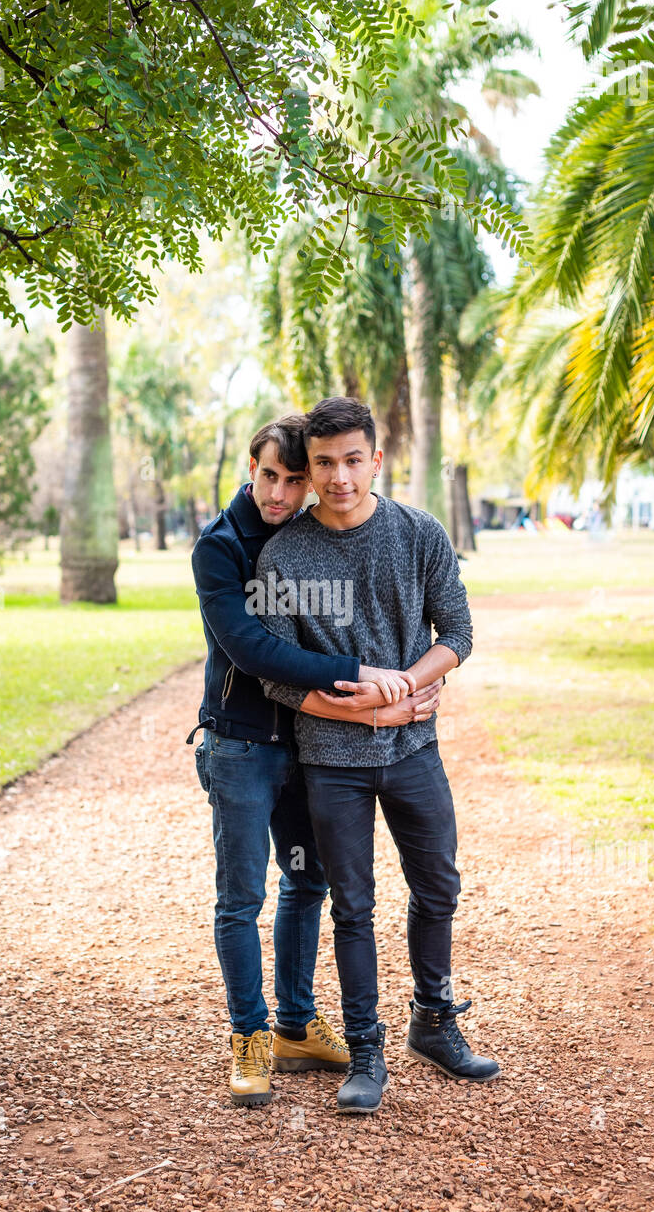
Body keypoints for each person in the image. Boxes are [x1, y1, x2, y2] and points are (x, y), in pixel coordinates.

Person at [257, 397, 500, 1114]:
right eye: (324, 463)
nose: (338, 478)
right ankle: (365, 1050)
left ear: (376, 459)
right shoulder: (283, 555)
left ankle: (434, 1021)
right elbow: (276, 674)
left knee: (438, 888)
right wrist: (370, 704)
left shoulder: (418, 533)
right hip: (330, 760)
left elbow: (456, 632)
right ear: (311, 467)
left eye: (351, 460)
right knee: (353, 907)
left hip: (413, 749)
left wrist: (406, 687)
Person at [189, 414, 438, 1106]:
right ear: (250, 466)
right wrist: (363, 677)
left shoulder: (305, 539)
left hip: (307, 747)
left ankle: (296, 1024)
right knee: (241, 899)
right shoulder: (220, 547)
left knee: (308, 884)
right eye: (269, 474)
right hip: (242, 744)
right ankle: (249, 1037)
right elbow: (255, 653)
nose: (279, 491)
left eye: (294, 479)